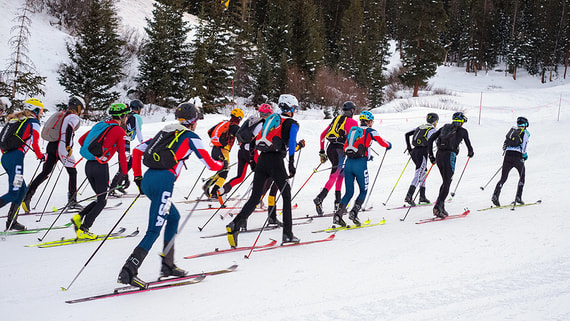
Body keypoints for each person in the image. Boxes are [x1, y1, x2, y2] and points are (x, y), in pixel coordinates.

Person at [118, 102, 223, 288]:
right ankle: (129, 270)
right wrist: (222, 165)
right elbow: (210, 164)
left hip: (150, 179)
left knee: (173, 217)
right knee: (154, 229)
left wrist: (138, 178)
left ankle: (168, 265)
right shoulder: (190, 136)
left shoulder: (166, 132)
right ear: (193, 121)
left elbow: (136, 150)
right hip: (163, 182)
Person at [226, 94, 302, 247]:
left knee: (255, 198)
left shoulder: (270, 120)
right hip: (276, 161)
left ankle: (235, 224)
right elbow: (292, 144)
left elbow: (255, 139)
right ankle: (288, 234)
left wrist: (253, 161)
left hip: (261, 159)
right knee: (286, 195)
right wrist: (291, 164)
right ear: (292, 108)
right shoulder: (292, 123)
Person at [73, 103, 129, 239]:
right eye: (126, 115)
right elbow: (122, 155)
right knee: (102, 200)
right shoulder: (120, 131)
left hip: (89, 166)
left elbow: (81, 140)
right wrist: (125, 174)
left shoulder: (100, 124)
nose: (127, 118)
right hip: (100, 167)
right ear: (122, 116)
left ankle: (79, 217)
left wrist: (94, 152)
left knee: (100, 198)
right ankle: (84, 229)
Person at [22, 96, 84, 213]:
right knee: (73, 172)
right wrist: (68, 146)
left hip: (51, 145)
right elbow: (69, 130)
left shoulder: (63, 114)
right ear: (78, 107)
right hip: (61, 147)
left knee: (45, 172)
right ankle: (72, 201)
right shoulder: (73, 116)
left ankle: (27, 195)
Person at [333, 110, 391, 227]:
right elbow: (382, 142)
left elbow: (345, 147)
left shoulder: (353, 131)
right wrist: (389, 145)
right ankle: (354, 212)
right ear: (369, 122)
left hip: (348, 163)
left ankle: (338, 215)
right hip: (360, 164)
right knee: (363, 190)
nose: (372, 123)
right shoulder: (371, 131)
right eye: (372, 121)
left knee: (349, 191)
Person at [0, 98, 45, 230]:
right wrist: (41, 156)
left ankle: (12, 221)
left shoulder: (16, 120)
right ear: (35, 110)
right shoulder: (33, 122)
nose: (41, 113)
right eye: (41, 110)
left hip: (7, 158)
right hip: (16, 160)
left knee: (22, 190)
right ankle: (11, 221)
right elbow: (35, 143)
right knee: (14, 192)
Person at [218, 104, 272, 200]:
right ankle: (258, 199)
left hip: (241, 151)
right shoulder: (262, 124)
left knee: (240, 177)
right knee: (264, 176)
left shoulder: (251, 121)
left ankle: (222, 190)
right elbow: (255, 139)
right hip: (251, 153)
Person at [313, 101, 358, 216]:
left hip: (330, 149)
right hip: (340, 151)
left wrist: (322, 152)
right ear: (352, 111)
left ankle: (337, 203)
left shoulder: (336, 120)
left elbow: (322, 135)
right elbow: (353, 139)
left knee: (340, 175)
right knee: (334, 175)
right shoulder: (352, 122)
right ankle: (320, 198)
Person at [427, 111, 474, 218]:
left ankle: (441, 207)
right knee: (448, 182)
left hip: (439, 155)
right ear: (462, 121)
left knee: (445, 181)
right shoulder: (463, 131)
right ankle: (437, 206)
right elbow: (470, 148)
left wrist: (431, 156)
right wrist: (470, 153)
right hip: (450, 156)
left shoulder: (444, 127)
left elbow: (430, 140)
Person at [202, 108, 244, 199]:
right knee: (224, 172)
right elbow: (242, 137)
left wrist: (218, 141)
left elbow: (209, 131)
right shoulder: (235, 127)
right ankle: (214, 193)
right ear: (239, 118)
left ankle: (207, 185)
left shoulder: (224, 123)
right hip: (223, 151)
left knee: (221, 171)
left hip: (214, 149)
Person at [109, 99, 144, 197]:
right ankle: (113, 187)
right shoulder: (136, 117)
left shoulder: (126, 115)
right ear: (138, 108)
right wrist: (142, 144)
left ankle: (119, 183)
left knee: (128, 163)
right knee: (125, 164)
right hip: (125, 142)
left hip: (120, 140)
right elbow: (138, 132)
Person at [491, 116, 530, 206]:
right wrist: (524, 155)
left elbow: (504, 145)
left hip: (507, 155)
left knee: (503, 178)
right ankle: (518, 197)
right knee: (522, 177)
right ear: (525, 125)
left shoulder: (512, 131)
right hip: (518, 157)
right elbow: (524, 145)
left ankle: (495, 195)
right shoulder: (525, 133)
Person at [403, 113, 439, 206]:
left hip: (415, 151)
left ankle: (422, 196)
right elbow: (435, 142)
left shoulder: (421, 126)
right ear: (435, 121)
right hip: (422, 152)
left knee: (423, 172)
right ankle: (409, 196)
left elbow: (407, 134)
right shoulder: (432, 129)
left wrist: (410, 148)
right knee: (419, 173)